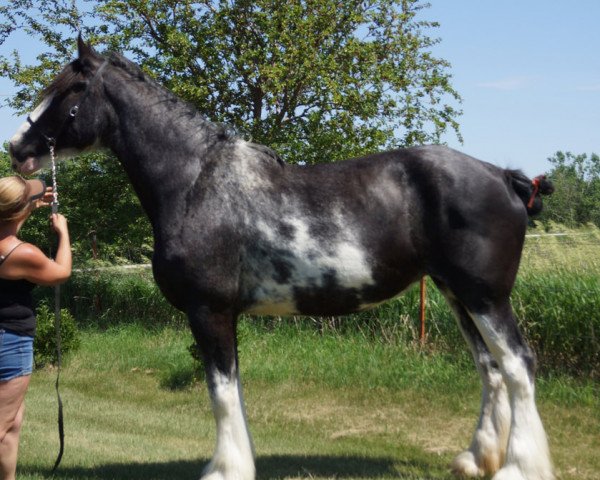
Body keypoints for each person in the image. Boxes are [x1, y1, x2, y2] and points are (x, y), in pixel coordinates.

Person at [0, 175, 71, 480]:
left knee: (12, 424)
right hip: (10, 342)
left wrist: (28, 206)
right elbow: (60, 272)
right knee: (2, 424)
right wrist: (63, 234)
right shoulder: (22, 254)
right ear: (18, 212)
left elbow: (8, 228)